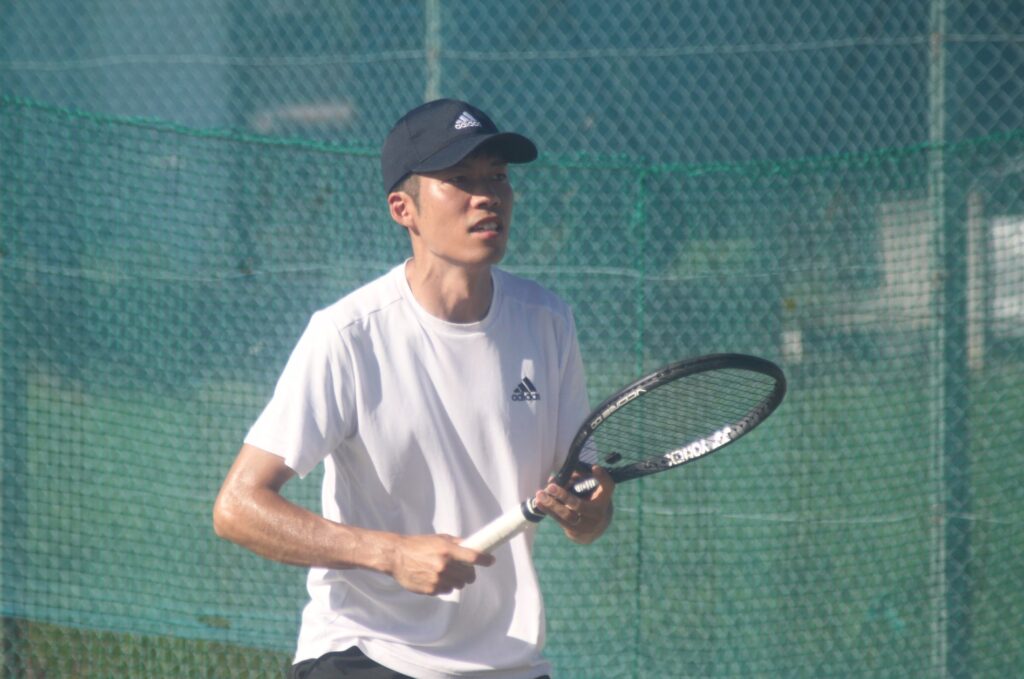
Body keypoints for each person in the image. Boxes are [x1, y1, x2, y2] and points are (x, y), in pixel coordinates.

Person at [213, 98, 615, 679]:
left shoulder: (548, 321)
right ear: (404, 209)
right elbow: (238, 508)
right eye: (461, 180)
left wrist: (586, 514)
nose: (487, 196)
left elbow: (589, 511)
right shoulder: (348, 335)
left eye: (497, 177)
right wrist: (393, 554)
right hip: (365, 651)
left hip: (508, 663)